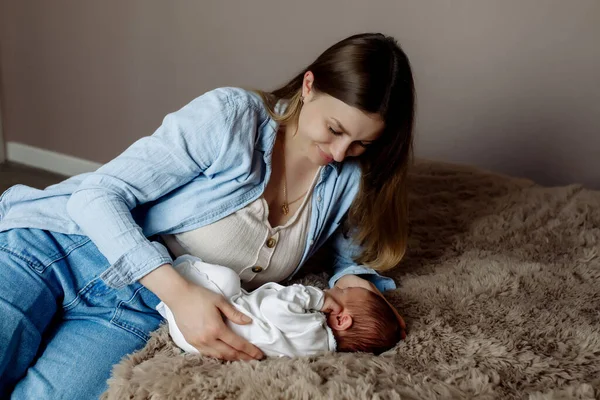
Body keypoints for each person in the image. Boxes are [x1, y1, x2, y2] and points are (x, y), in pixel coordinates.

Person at [0, 32, 415, 398]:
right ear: (309, 86)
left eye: (362, 144)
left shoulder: (349, 180)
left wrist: (361, 292)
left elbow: (351, 260)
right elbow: (96, 196)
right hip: (58, 248)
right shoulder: (232, 118)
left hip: (134, 310)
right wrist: (181, 296)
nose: (341, 153)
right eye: (335, 129)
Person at [157, 255, 402, 357]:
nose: (335, 288)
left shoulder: (312, 327)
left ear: (341, 320)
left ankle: (182, 268)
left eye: (343, 291)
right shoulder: (317, 349)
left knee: (227, 278)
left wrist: (317, 298)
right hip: (201, 341)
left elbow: (275, 307)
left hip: (200, 325)